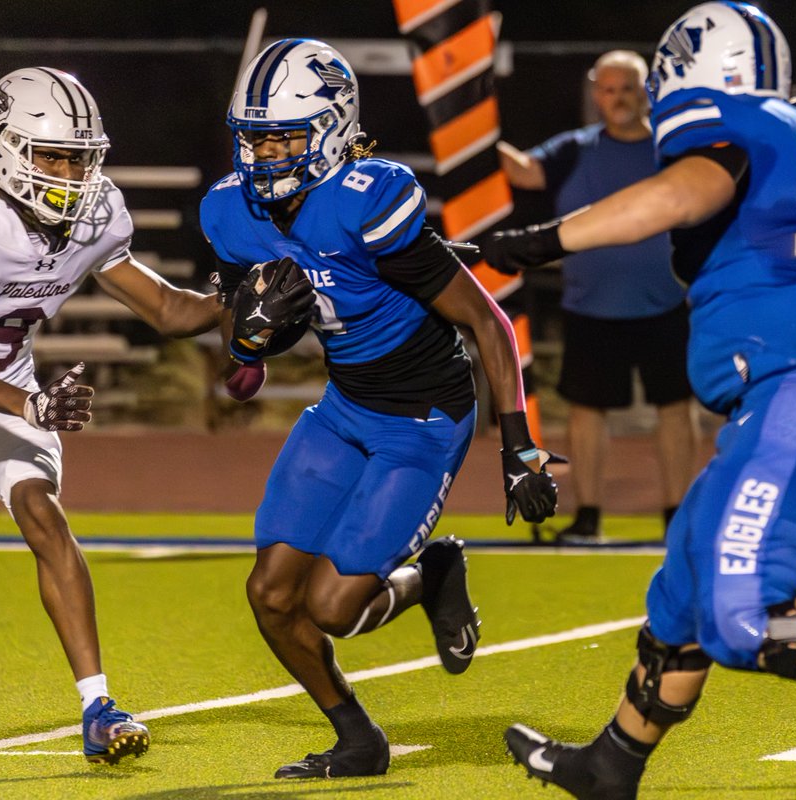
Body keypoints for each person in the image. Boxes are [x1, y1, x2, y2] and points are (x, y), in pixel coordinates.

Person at [480, 3, 796, 795]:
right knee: (685, 589)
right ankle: (612, 762)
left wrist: (545, 239)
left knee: (739, 616)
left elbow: (681, 196)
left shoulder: (731, 135)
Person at [199, 38, 558, 780]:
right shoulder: (231, 215)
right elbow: (239, 383)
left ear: (331, 130)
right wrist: (250, 341)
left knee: (333, 608)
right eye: (253, 138)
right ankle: (358, 739)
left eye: (282, 138)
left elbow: (486, 321)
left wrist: (518, 446)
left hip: (422, 417)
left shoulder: (368, 200)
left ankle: (432, 574)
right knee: (269, 595)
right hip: (344, 408)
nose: (263, 156)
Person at [0, 66, 226, 764]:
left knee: (44, 513)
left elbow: (164, 308)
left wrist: (236, 302)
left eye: (80, 155)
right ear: (5, 147)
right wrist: (30, 403)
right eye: (53, 155)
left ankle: (98, 704)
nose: (70, 172)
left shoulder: (95, 215)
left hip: (9, 397)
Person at [498, 50, 695, 541]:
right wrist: (470, 126)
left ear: (645, 91)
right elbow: (523, 172)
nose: (617, 98)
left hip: (666, 305)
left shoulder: (672, 150)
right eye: (607, 89)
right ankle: (587, 516)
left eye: (626, 87)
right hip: (591, 308)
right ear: (595, 95)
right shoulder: (573, 149)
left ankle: (679, 515)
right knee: (587, 414)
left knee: (675, 410)